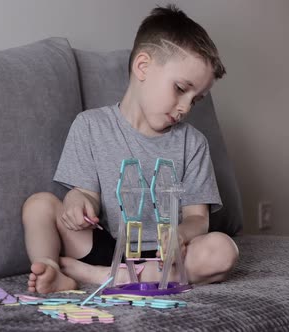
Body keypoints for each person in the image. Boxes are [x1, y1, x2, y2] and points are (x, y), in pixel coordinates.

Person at [21, 4, 240, 294]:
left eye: (196, 99)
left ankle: (105, 277)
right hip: (108, 246)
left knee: (224, 250)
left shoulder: (193, 143)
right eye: (180, 89)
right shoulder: (90, 126)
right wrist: (77, 202)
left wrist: (180, 235)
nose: (186, 107)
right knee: (38, 205)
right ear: (143, 67)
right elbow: (85, 195)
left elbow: (198, 218)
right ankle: (51, 267)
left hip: (167, 258)